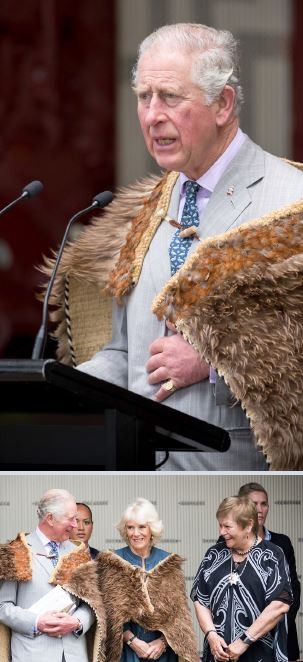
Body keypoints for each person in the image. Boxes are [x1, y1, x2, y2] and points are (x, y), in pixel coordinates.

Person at [49, 22, 303, 470]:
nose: (152, 115)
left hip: (242, 494)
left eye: (169, 97)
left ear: (222, 104)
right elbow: (126, 353)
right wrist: (57, 390)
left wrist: (215, 363)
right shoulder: (144, 211)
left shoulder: (291, 200)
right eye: (144, 97)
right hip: (138, 483)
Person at [68, 497, 199, 661]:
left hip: (164, 653)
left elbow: (178, 617)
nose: (136, 533)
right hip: (126, 651)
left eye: (142, 527)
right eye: (130, 527)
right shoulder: (112, 561)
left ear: (152, 529)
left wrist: (163, 643)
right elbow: (107, 614)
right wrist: (133, 641)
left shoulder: (169, 563)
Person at [191, 496, 292, 662]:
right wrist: (211, 635)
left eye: (227, 526)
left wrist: (244, 641)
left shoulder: (272, 555)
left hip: (260, 654)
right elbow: (200, 599)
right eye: (220, 525)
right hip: (218, 654)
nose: (221, 532)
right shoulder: (214, 554)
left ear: (249, 525)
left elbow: (279, 605)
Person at [0, 489, 96, 662]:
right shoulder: (16, 550)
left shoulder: (79, 552)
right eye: (71, 518)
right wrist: (37, 621)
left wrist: (77, 622)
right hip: (32, 655)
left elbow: (91, 604)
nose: (75, 525)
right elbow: (3, 607)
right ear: (50, 518)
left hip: (74, 655)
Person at [238, 482, 301, 661]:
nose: (259, 509)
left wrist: (279, 621)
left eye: (264, 504)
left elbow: (293, 588)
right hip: (243, 636)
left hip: (281, 633)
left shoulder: (283, 542)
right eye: (253, 504)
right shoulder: (227, 543)